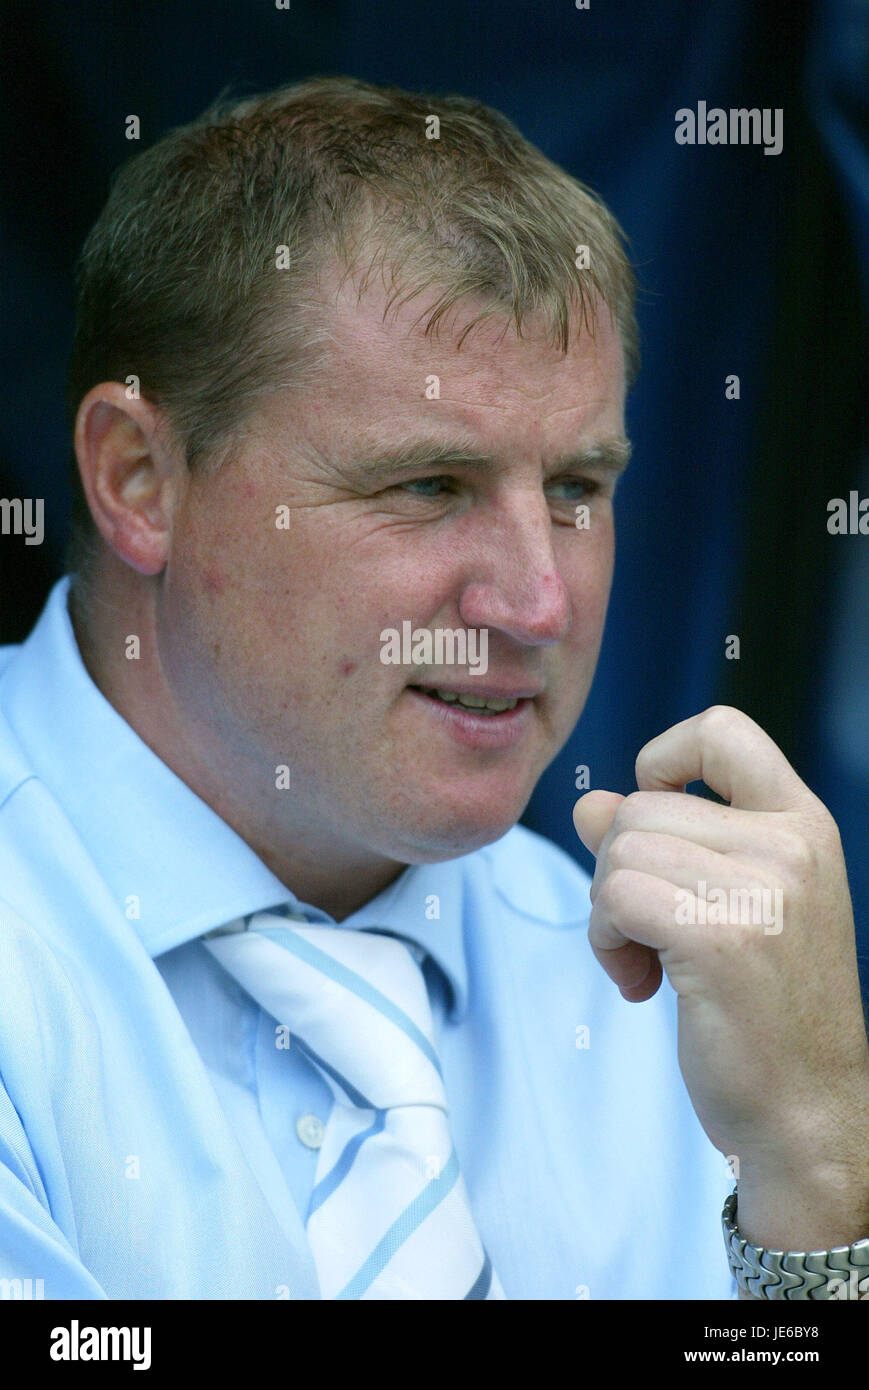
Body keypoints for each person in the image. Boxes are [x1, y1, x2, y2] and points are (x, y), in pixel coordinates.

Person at [0, 75, 866, 1302]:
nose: (535, 606)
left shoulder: (646, 990)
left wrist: (817, 1181)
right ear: (140, 478)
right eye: (426, 488)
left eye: (576, 489)